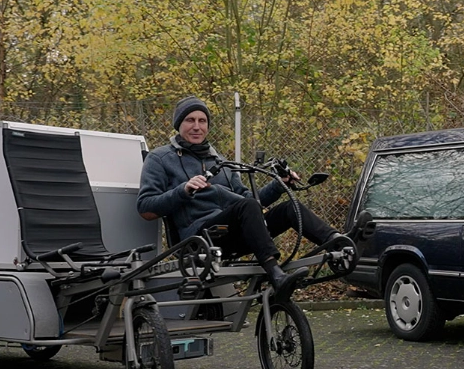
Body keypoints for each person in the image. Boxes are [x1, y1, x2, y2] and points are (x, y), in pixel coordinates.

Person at [137, 96, 345, 302]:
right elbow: (146, 208)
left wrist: (279, 185)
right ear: (178, 124)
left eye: (202, 121)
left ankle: (338, 243)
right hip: (200, 238)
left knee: (290, 208)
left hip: (235, 232)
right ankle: (275, 273)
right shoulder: (160, 159)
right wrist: (183, 190)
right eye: (190, 120)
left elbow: (251, 201)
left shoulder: (220, 162)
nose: (197, 126)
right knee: (246, 207)